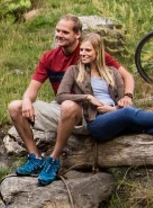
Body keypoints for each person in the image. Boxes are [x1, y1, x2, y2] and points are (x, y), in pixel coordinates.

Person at [46, 33, 153, 183]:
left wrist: (114, 109)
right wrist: (87, 97)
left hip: (115, 114)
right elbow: (60, 96)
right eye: (81, 50)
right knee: (128, 114)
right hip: (96, 122)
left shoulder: (112, 72)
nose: (83, 53)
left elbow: (123, 103)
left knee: (136, 123)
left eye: (87, 50)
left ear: (98, 51)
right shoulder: (74, 71)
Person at [7, 15, 133, 185]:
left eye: (65, 32)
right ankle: (35, 158)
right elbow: (32, 89)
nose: (59, 35)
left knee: (68, 105)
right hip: (62, 106)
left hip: (88, 112)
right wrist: (27, 100)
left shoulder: (88, 51)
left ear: (77, 34)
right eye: (58, 31)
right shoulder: (49, 57)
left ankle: (54, 160)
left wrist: (127, 96)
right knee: (15, 107)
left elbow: (127, 76)